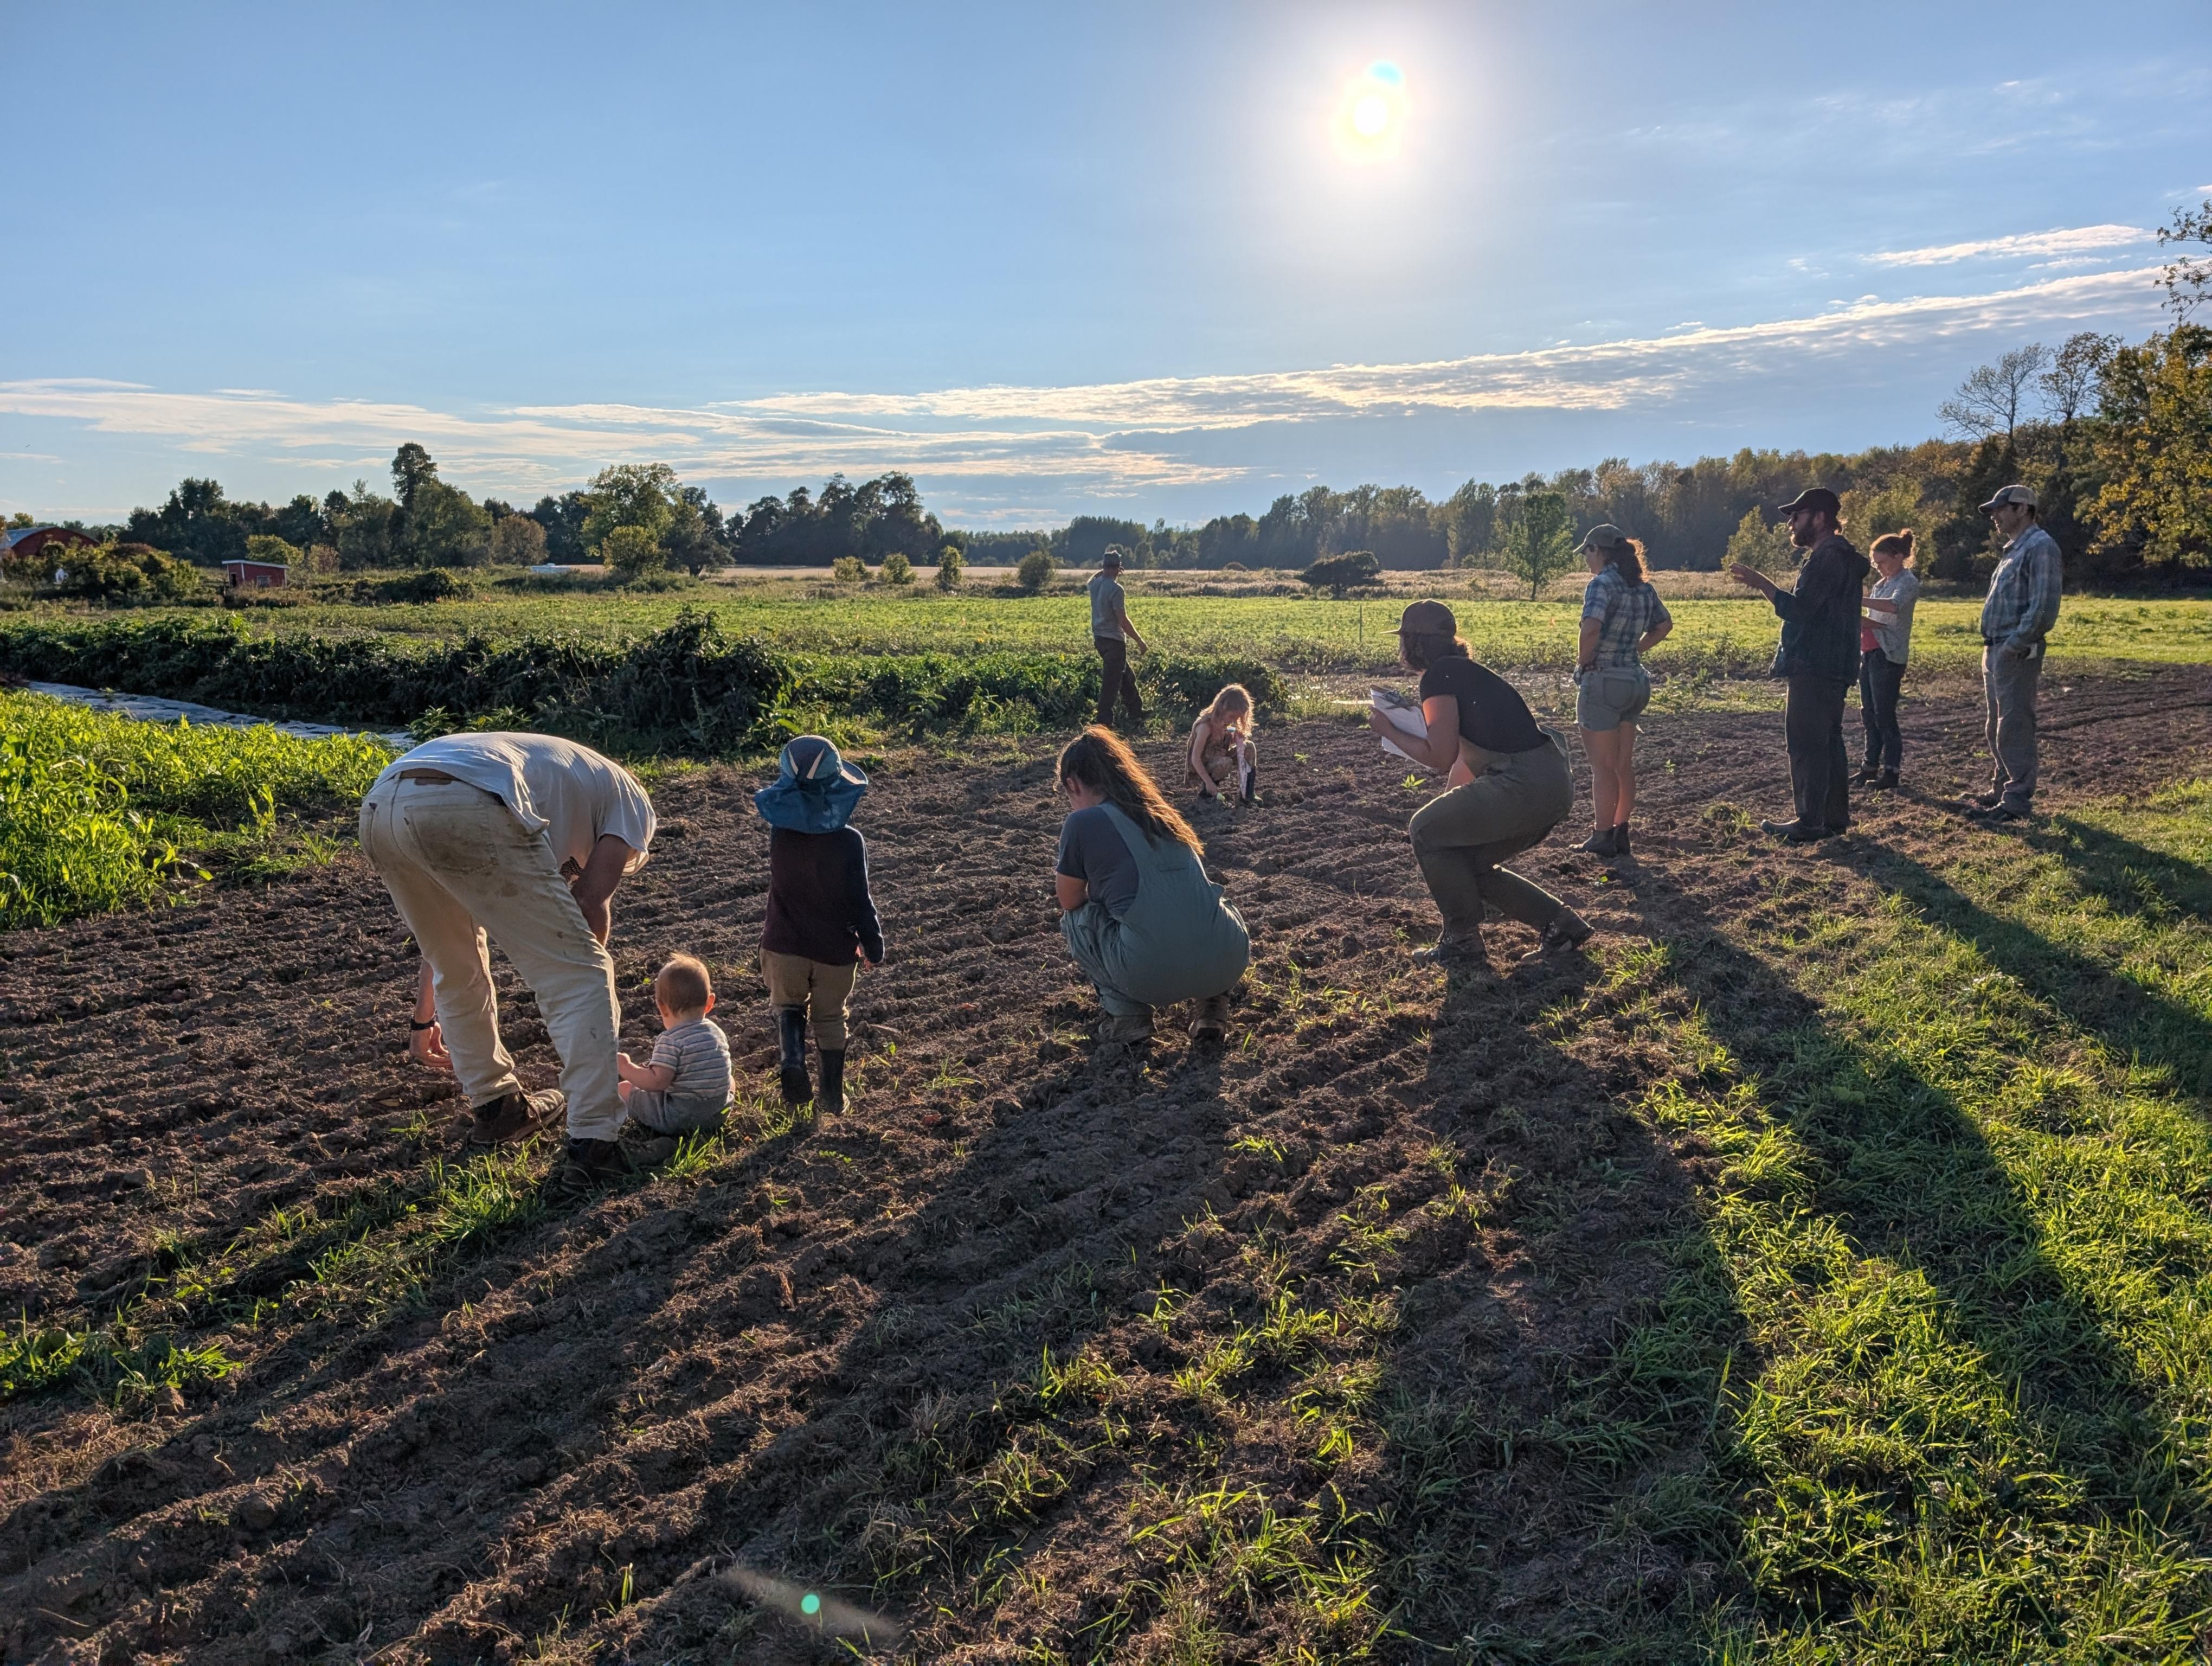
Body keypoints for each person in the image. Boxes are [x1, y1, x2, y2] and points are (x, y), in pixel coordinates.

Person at [357, 731, 656, 1202]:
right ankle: (595, 1144)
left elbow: (445, 949)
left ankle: (499, 1111)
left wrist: (423, 1018)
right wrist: (583, 988)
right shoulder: (632, 800)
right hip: (474, 799)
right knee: (582, 974)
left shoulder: (559, 779)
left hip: (383, 804)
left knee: (457, 964)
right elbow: (589, 900)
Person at [1367, 600, 1591, 969]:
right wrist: (1450, 813)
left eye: (1403, 640)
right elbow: (1462, 759)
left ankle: (1462, 942)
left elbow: (1438, 757)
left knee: (1422, 829)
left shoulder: (1439, 678)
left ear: (1414, 643)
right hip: (1550, 783)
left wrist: (1388, 729)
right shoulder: (1464, 673)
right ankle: (1560, 925)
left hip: (1523, 784)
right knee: (1464, 862)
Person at [1053, 726, 1250, 1045]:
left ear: (1073, 785)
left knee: (1076, 921)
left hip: (1149, 975)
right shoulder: (1162, 814)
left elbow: (1069, 900)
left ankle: (1128, 1017)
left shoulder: (1082, 823)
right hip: (1227, 959)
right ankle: (1213, 1007)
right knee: (1211, 905)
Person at [1727, 488, 1869, 843]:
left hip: (1816, 663)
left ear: (1821, 518)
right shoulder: (1842, 557)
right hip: (1836, 663)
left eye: (1798, 515)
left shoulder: (1827, 558)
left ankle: (1809, 822)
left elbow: (1802, 611)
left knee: (1806, 742)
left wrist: (1764, 585)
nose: (1791, 523)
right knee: (1829, 741)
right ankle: (1834, 818)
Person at [755, 735, 884, 1114]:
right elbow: (861, 901)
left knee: (788, 1007)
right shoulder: (849, 842)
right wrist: (872, 944)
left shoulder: (780, 836)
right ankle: (832, 1098)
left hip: (783, 947)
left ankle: (792, 1060)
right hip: (834, 954)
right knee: (830, 1019)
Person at [1962, 484, 2063, 822]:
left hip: (2014, 650)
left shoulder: (2041, 546)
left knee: (2015, 724)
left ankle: (2017, 798)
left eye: (2000, 508)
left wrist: (2016, 645)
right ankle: (2001, 789)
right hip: (1997, 648)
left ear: (2023, 509)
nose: (1994, 515)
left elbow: (2044, 605)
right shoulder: (2013, 549)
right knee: (1997, 725)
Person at [1572, 524, 1673, 856]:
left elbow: (1591, 630)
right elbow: (1664, 626)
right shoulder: (1643, 588)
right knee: (1622, 765)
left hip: (1604, 682)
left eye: (1586, 552)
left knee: (1602, 768)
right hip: (1635, 682)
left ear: (1597, 551)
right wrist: (1635, 652)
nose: (1586, 560)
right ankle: (1621, 834)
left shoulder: (1600, 585)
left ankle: (1602, 836)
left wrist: (1584, 664)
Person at [616, 954, 733, 1163]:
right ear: (710, 1003)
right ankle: (705, 1127)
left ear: (662, 1008)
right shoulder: (717, 1032)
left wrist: (627, 1068)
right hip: (719, 1111)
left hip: (679, 1117)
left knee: (624, 1089)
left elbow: (657, 1082)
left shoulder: (670, 1040)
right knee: (731, 1080)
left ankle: (642, 1132)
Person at [1856, 529, 1921, 790]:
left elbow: (1893, 607)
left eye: (1881, 562)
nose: (1878, 567)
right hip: (1870, 652)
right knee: (1868, 714)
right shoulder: (1880, 585)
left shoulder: (1907, 582)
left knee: (1885, 716)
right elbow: (1877, 619)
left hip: (1889, 655)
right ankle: (1869, 767)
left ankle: (1891, 772)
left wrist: (1856, 601)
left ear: (1898, 557)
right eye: (1875, 563)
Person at [1088, 544, 1148, 729]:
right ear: (1119, 567)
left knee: (1126, 677)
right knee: (1111, 683)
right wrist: (1139, 640)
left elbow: (1090, 580)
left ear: (1104, 566)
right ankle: (1103, 722)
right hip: (1114, 641)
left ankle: (1136, 711)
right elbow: (1123, 620)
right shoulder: (1116, 589)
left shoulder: (1095, 585)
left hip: (1100, 640)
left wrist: (1103, 570)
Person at [1185, 682, 1258, 803]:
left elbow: (1231, 733)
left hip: (1219, 760)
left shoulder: (1227, 725)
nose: (1234, 721)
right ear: (1222, 708)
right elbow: (1195, 759)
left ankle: (1248, 794)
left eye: (1237, 719)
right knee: (1226, 762)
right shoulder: (1205, 727)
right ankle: (1207, 792)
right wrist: (1209, 783)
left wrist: (1238, 738)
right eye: (1232, 716)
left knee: (1249, 746)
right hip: (1201, 769)